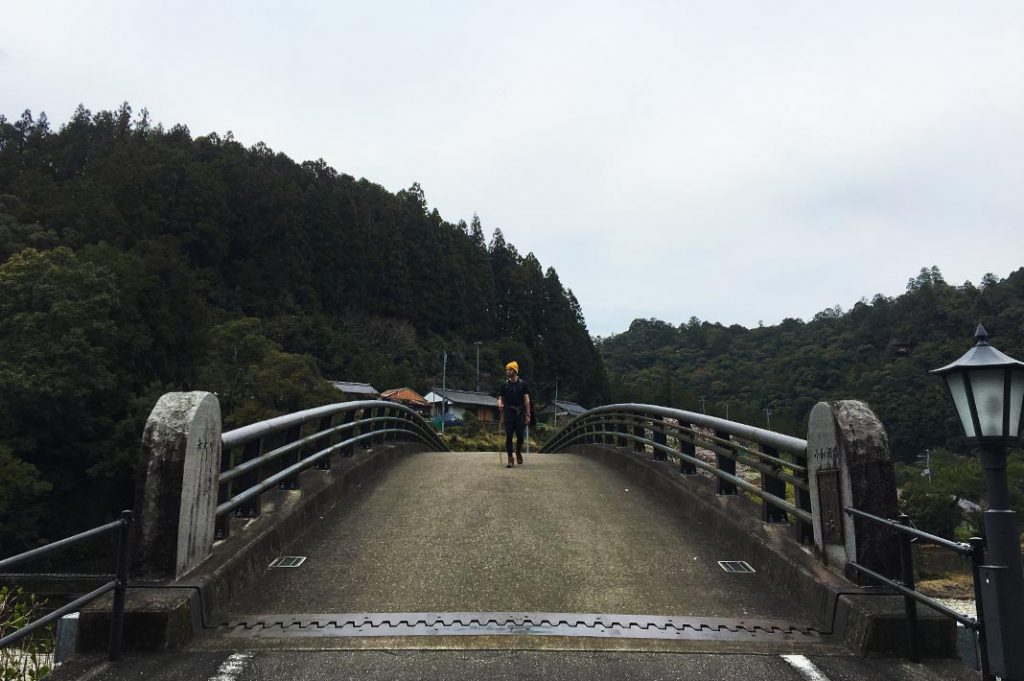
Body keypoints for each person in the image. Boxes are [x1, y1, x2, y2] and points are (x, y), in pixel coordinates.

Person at [497, 361, 531, 468]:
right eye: (507, 370)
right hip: (508, 412)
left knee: (520, 436)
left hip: (520, 412)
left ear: (515, 371)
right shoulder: (504, 385)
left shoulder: (523, 384)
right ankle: (510, 458)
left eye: (510, 369)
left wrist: (528, 414)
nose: (508, 371)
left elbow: (526, 400)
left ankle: (518, 451)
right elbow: (500, 398)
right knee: (509, 437)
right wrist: (499, 404)